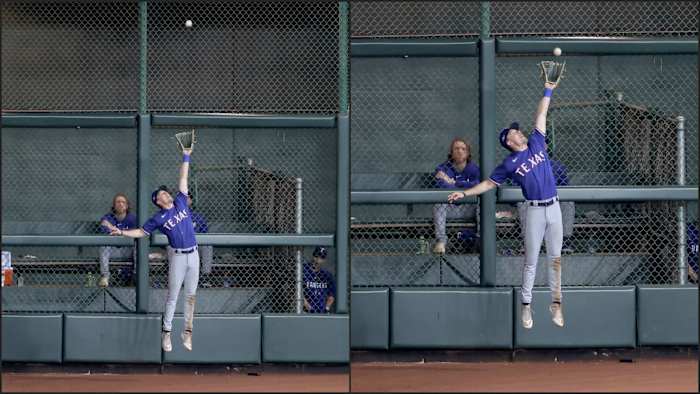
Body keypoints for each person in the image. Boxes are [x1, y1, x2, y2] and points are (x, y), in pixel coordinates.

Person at [447, 80, 565, 329]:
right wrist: (465, 193)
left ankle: (556, 304)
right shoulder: (510, 163)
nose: (518, 132)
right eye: (514, 132)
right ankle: (526, 305)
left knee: (555, 258)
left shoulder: (536, 142)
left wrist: (548, 89)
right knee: (531, 260)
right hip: (533, 209)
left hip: (554, 207)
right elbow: (489, 184)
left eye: (518, 130)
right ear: (509, 141)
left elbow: (542, 112)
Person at [110, 147, 200, 352]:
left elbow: (183, 178)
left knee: (191, 295)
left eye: (166, 191)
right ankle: (166, 333)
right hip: (177, 257)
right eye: (162, 194)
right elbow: (142, 232)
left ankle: (187, 333)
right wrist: (122, 232)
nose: (166, 193)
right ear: (158, 201)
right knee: (173, 295)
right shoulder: (159, 218)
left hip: (194, 254)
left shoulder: (180, 203)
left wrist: (186, 155)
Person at [516, 152, 575, 254]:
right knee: (523, 201)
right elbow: (515, 191)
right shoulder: (522, 166)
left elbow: (566, 189)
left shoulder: (556, 166)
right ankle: (528, 241)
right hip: (532, 203)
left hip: (552, 202)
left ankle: (565, 240)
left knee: (568, 201)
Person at [432, 138, 481, 255]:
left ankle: (481, 238)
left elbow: (478, 185)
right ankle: (441, 241)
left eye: (463, 149)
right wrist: (465, 187)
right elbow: (442, 187)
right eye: (456, 148)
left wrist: (454, 183)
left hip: (470, 209)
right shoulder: (443, 168)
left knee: (482, 203)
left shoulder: (474, 169)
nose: (460, 151)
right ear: (451, 152)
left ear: (468, 152)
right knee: (439, 203)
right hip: (450, 209)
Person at [98, 193, 138, 287]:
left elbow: (136, 233)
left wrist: (113, 228)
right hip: (113, 251)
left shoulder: (133, 218)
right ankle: (105, 276)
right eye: (118, 202)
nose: (120, 204)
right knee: (104, 245)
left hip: (129, 251)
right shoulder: (108, 217)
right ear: (114, 205)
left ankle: (137, 274)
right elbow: (105, 228)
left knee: (138, 245)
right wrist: (126, 232)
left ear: (127, 206)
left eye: (123, 202)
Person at [303, 246, 336, 313]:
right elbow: (297, 290)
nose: (318, 259)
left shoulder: (327, 275)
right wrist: (307, 306)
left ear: (324, 260)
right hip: (305, 310)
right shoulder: (303, 270)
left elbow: (331, 295)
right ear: (313, 256)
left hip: (321, 311)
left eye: (321, 258)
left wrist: (326, 308)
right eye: (316, 256)